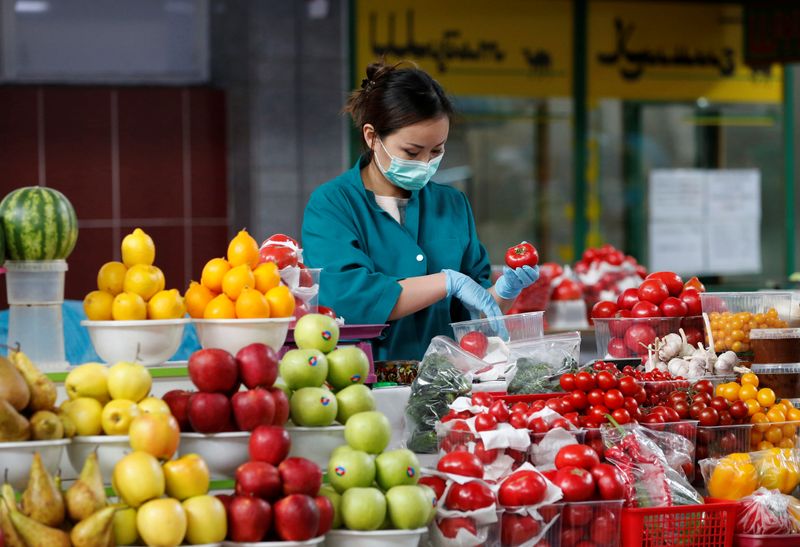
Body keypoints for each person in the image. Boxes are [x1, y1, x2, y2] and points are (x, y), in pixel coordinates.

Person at [302, 62, 539, 361]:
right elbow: (346, 299)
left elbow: (476, 316)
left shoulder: (452, 204)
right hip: (364, 383)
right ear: (372, 137)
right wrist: (446, 281)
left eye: (437, 151)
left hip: (446, 383)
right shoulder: (333, 205)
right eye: (412, 152)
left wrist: (504, 291)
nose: (425, 162)